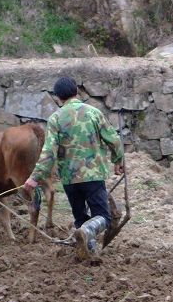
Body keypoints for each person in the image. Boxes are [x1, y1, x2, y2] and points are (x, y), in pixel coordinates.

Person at [24, 76, 124, 261]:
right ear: (76, 92)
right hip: (93, 176)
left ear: (58, 98)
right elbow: (114, 139)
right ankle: (87, 234)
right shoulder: (94, 112)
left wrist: (35, 177)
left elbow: (49, 152)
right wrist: (118, 160)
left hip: (69, 179)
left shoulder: (55, 119)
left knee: (80, 218)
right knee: (103, 217)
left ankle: (90, 253)